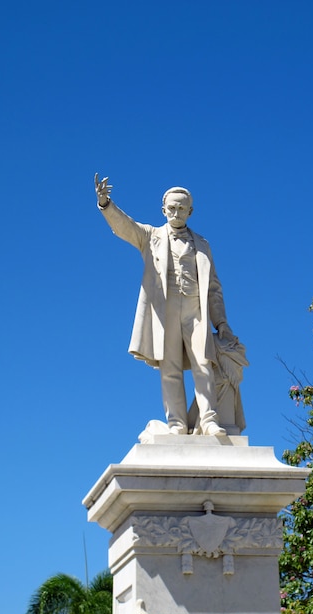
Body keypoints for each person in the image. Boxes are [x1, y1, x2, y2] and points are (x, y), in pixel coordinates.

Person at [94, 174, 236, 436]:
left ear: (190, 211)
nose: (176, 212)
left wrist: (222, 323)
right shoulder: (151, 236)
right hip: (165, 309)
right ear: (163, 210)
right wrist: (106, 205)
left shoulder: (202, 244)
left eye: (182, 208)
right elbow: (126, 227)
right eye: (171, 208)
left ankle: (209, 420)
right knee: (169, 366)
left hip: (196, 310)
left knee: (203, 363)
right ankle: (177, 423)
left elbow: (214, 288)